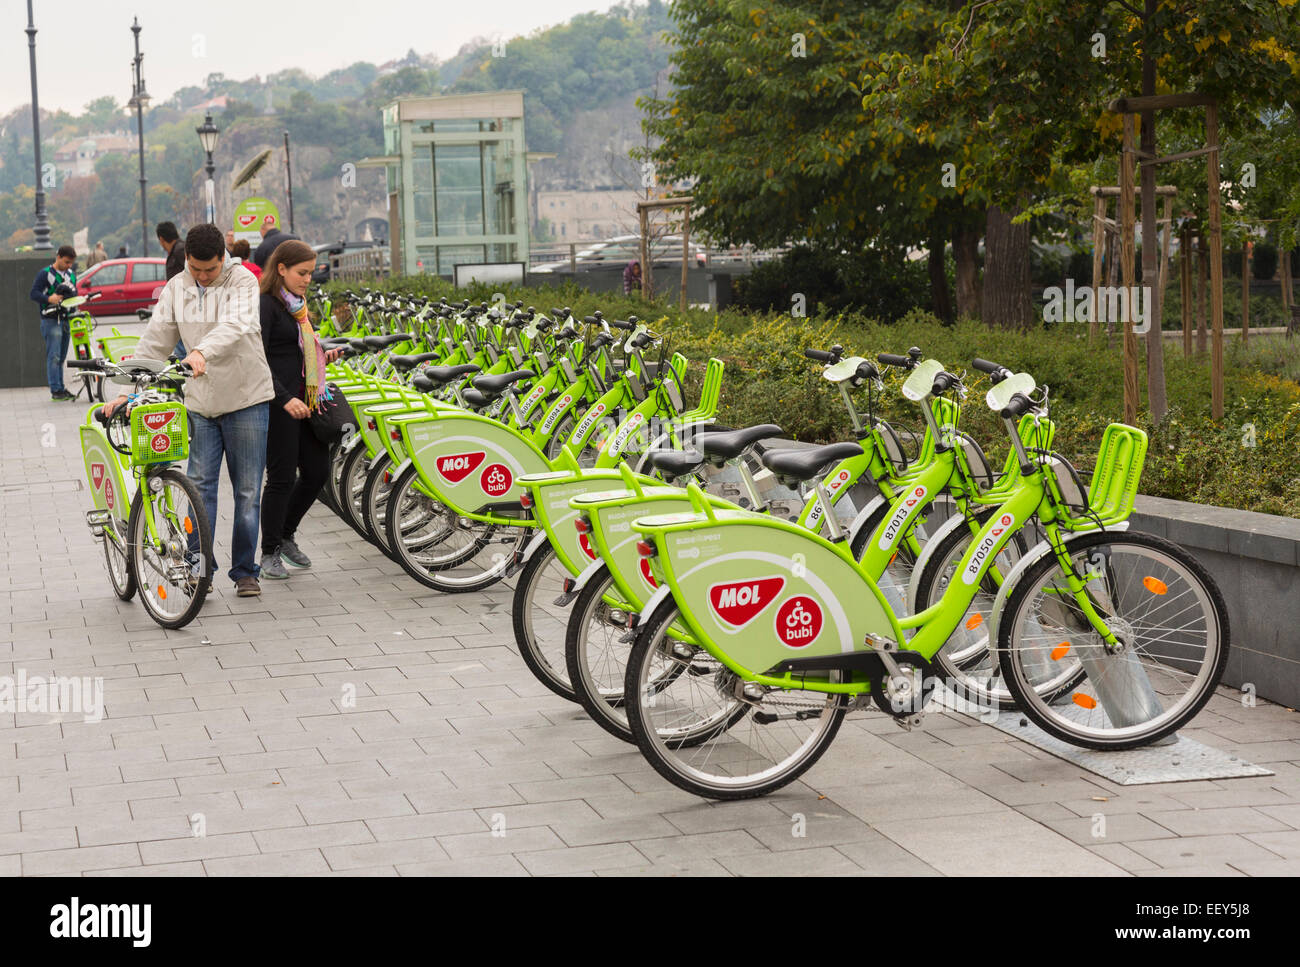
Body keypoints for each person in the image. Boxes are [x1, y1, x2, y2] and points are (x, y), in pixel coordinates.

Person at [103, 224, 274, 598]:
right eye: (195, 268)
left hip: (247, 398)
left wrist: (200, 351)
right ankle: (200, 571)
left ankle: (246, 570)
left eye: (209, 270)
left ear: (222, 260)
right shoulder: (177, 288)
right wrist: (124, 391)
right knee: (199, 489)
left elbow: (236, 325)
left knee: (246, 491)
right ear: (186, 260)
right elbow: (155, 341)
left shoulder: (242, 281)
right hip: (201, 402)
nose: (201, 276)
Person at [258, 239, 343, 579]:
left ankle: (286, 535)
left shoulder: (298, 306)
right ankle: (269, 552)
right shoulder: (266, 305)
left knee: (317, 472)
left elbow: (302, 349)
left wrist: (324, 354)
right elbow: (258, 358)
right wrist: (282, 398)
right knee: (280, 478)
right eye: (302, 273)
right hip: (281, 404)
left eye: (310, 273)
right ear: (281, 269)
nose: (308, 279)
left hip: (308, 401)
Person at [28, 244, 79, 401]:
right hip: (50, 319)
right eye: (66, 262)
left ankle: (61, 388)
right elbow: (33, 293)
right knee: (54, 357)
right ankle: (56, 390)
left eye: (71, 263)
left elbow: (74, 292)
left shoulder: (71, 274)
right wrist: (49, 299)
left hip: (66, 319)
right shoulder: (45, 274)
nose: (68, 266)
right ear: (58, 257)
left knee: (61, 357)